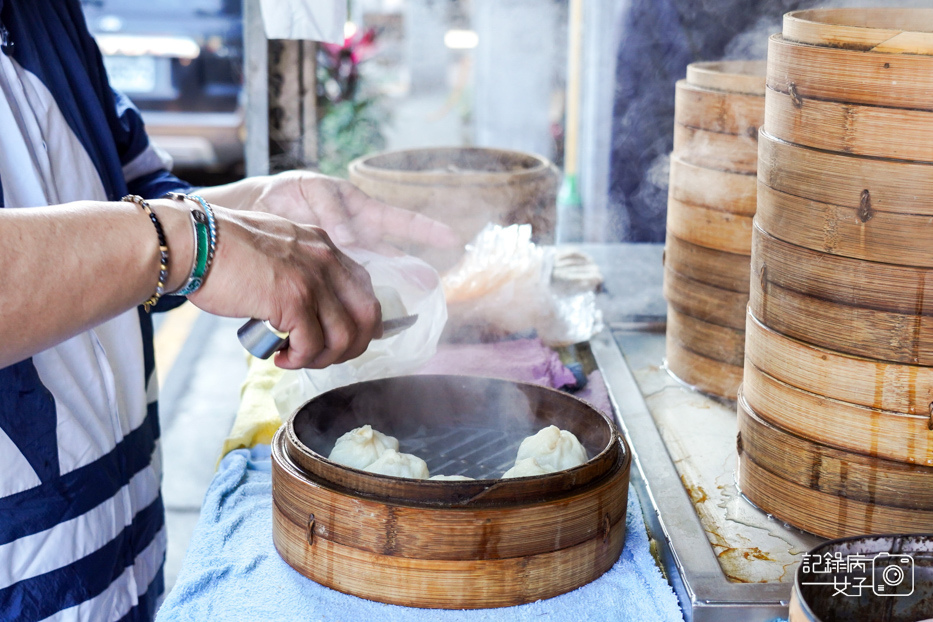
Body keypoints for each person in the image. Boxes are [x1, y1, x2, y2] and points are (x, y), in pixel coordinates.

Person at [0, 1, 456, 620]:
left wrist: (256, 210)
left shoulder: (42, 12)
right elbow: (159, 239)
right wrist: (194, 243)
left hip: (119, 562)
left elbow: (120, 217)